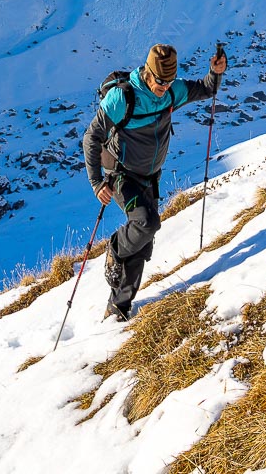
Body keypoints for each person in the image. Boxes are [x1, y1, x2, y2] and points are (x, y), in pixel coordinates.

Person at [82, 42, 228, 320]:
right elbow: (92, 137)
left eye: (169, 81)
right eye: (160, 81)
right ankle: (115, 248)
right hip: (122, 175)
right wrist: (97, 182)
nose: (164, 87)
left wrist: (215, 72)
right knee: (146, 223)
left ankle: (119, 307)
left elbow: (206, 89)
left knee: (143, 243)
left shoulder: (171, 92)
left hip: (151, 177)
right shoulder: (123, 98)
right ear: (148, 73)